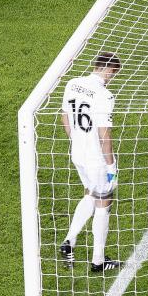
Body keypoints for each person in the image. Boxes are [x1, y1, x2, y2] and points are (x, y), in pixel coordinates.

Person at [59, 52, 124, 272]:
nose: (111, 79)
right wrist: (111, 167)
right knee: (104, 201)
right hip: (96, 159)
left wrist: (77, 140)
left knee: (90, 192)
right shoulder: (104, 95)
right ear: (108, 70)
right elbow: (104, 135)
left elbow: (65, 116)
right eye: (113, 74)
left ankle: (69, 241)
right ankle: (98, 261)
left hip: (77, 153)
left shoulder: (73, 84)